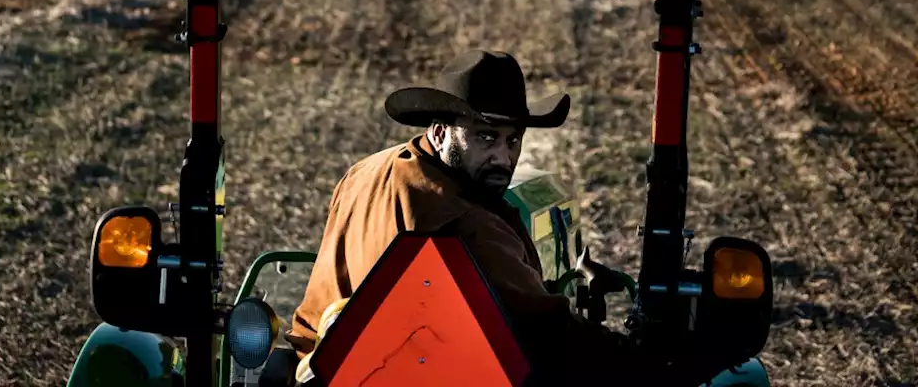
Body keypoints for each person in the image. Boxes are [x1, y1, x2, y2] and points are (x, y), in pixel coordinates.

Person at [286, 50, 721, 385]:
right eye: (486, 137)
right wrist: (646, 363)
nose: (503, 157)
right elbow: (547, 330)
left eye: (513, 140)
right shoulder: (462, 219)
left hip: (325, 367)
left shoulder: (364, 172)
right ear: (440, 132)